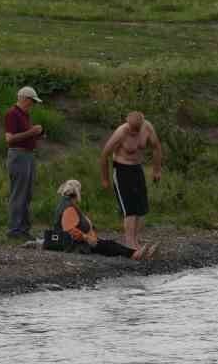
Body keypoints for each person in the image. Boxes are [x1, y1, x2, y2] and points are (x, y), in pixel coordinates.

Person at [99, 111, 164, 251]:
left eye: (137, 129)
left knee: (140, 208)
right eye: (132, 128)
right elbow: (104, 155)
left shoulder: (147, 127)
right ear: (128, 123)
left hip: (137, 168)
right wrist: (105, 179)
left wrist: (157, 170)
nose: (134, 132)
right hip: (122, 170)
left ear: (142, 124)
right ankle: (130, 245)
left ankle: (136, 242)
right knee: (129, 209)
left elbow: (156, 147)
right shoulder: (121, 132)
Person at [52, 180, 156, 260]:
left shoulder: (65, 204)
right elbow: (70, 230)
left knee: (108, 243)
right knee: (109, 245)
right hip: (75, 246)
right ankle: (135, 254)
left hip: (79, 242)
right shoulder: (69, 208)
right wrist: (87, 237)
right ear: (77, 192)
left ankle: (137, 253)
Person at [3, 85, 44, 239]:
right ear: (24, 98)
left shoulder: (25, 114)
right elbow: (10, 139)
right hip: (18, 155)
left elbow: (23, 135)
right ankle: (14, 230)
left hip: (28, 155)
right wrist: (32, 132)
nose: (32, 104)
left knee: (27, 193)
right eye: (31, 101)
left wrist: (36, 134)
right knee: (19, 193)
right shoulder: (12, 113)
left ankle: (24, 229)